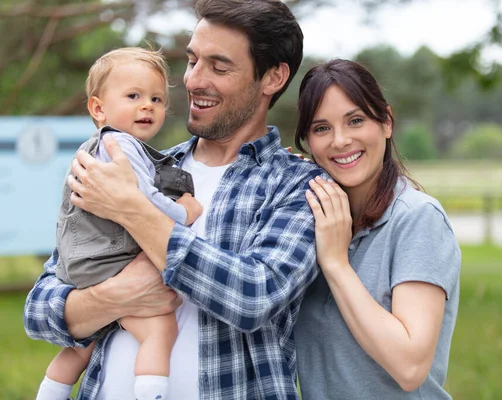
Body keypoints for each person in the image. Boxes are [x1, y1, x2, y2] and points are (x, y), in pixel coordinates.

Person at [24, 0, 324, 399]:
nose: (195, 80)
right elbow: (40, 307)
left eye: (219, 67)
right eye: (192, 60)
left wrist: (132, 209)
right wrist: (111, 297)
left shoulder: (298, 184)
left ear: (272, 77)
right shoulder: (140, 165)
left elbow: (254, 297)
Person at [35, 47, 203, 400]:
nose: (148, 106)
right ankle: (151, 393)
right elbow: (143, 202)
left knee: (82, 344)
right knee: (160, 329)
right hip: (111, 259)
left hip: (81, 265)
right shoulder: (122, 147)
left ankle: (50, 393)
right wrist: (185, 212)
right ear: (98, 108)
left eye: (157, 98)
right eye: (134, 96)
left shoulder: (95, 146)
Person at [293, 59, 461, 399]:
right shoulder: (311, 219)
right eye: (321, 128)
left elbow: (410, 367)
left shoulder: (417, 218)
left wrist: (337, 264)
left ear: (386, 122)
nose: (340, 141)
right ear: (308, 142)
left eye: (356, 121)